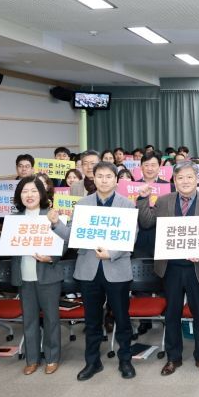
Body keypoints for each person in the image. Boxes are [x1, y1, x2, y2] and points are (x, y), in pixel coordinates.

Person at [137, 162, 199, 376]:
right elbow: (146, 223)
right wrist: (142, 199)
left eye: (189, 177)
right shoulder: (163, 201)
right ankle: (173, 358)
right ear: (174, 180)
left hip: (198, 267)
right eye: (180, 178)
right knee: (172, 314)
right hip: (171, 268)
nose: (185, 181)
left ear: (197, 179)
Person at [73, 162, 137, 381]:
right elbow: (73, 234)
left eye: (108, 176)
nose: (104, 180)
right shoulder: (82, 204)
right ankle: (92, 362)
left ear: (116, 180)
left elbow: (132, 236)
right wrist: (55, 224)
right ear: (93, 178)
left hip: (116, 269)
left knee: (122, 317)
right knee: (91, 320)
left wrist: (112, 253)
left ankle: (125, 359)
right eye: (99, 176)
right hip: (88, 269)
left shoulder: (127, 205)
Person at [10, 177, 70, 375]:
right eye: (24, 191)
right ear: (19, 195)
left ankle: (52, 357)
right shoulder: (14, 218)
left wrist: (51, 257)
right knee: (29, 320)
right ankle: (32, 359)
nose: (29, 195)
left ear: (42, 194)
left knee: (51, 319)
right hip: (24, 276)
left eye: (34, 191)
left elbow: (65, 242)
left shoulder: (51, 215)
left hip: (48, 275)